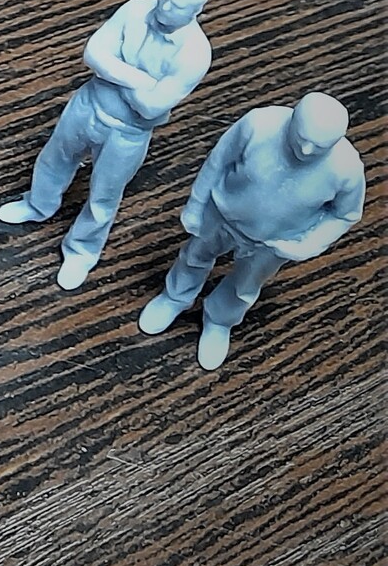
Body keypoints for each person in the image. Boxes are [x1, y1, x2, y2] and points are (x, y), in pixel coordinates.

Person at [0, 0, 214, 290]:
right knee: (54, 158)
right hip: (87, 105)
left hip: (128, 132)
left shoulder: (195, 54)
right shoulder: (135, 10)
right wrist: (141, 80)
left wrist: (113, 70)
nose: (164, 7)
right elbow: (93, 54)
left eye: (176, 6)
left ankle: (82, 251)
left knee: (103, 196)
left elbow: (151, 107)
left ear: (197, 10)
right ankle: (38, 204)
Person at [137, 94, 365, 371]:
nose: (306, 151)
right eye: (302, 138)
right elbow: (218, 162)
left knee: (244, 287)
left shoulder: (346, 170)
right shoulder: (258, 124)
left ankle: (220, 320)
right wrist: (196, 205)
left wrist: (307, 245)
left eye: (319, 147)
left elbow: (345, 214)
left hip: (274, 241)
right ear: (292, 119)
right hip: (222, 213)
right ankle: (175, 296)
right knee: (194, 256)